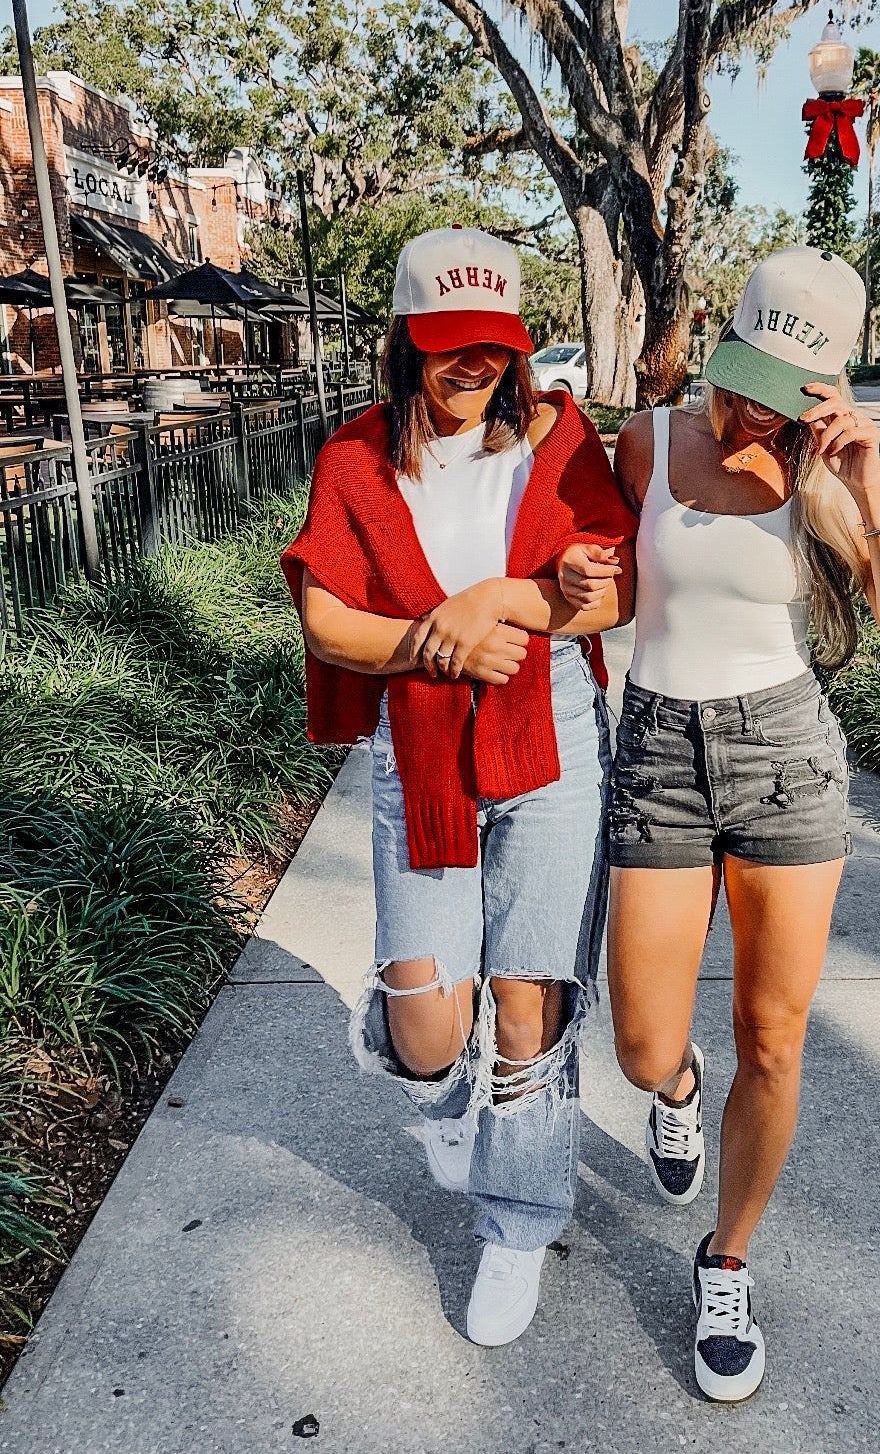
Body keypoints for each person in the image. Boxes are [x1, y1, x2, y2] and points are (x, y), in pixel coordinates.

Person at [558, 246, 880, 1402]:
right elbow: (623, 581)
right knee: (639, 1040)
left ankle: (725, 1259)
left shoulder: (829, 482)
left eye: (773, 392)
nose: (739, 407)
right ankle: (677, 1099)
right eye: (736, 375)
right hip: (661, 750)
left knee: (773, 1038)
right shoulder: (650, 442)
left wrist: (871, 482)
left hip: (785, 758)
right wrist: (593, 591)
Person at [282, 226, 634, 1349]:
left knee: (526, 1004)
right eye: (446, 346)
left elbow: (608, 596)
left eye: (490, 345)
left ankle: (517, 1221)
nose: (470, 367)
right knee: (436, 1033)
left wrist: (506, 599)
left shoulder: (558, 441)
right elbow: (327, 621)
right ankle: (423, 1063)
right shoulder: (355, 458)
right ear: (405, 344)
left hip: (552, 739)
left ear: (516, 347)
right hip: (423, 751)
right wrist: (438, 646)